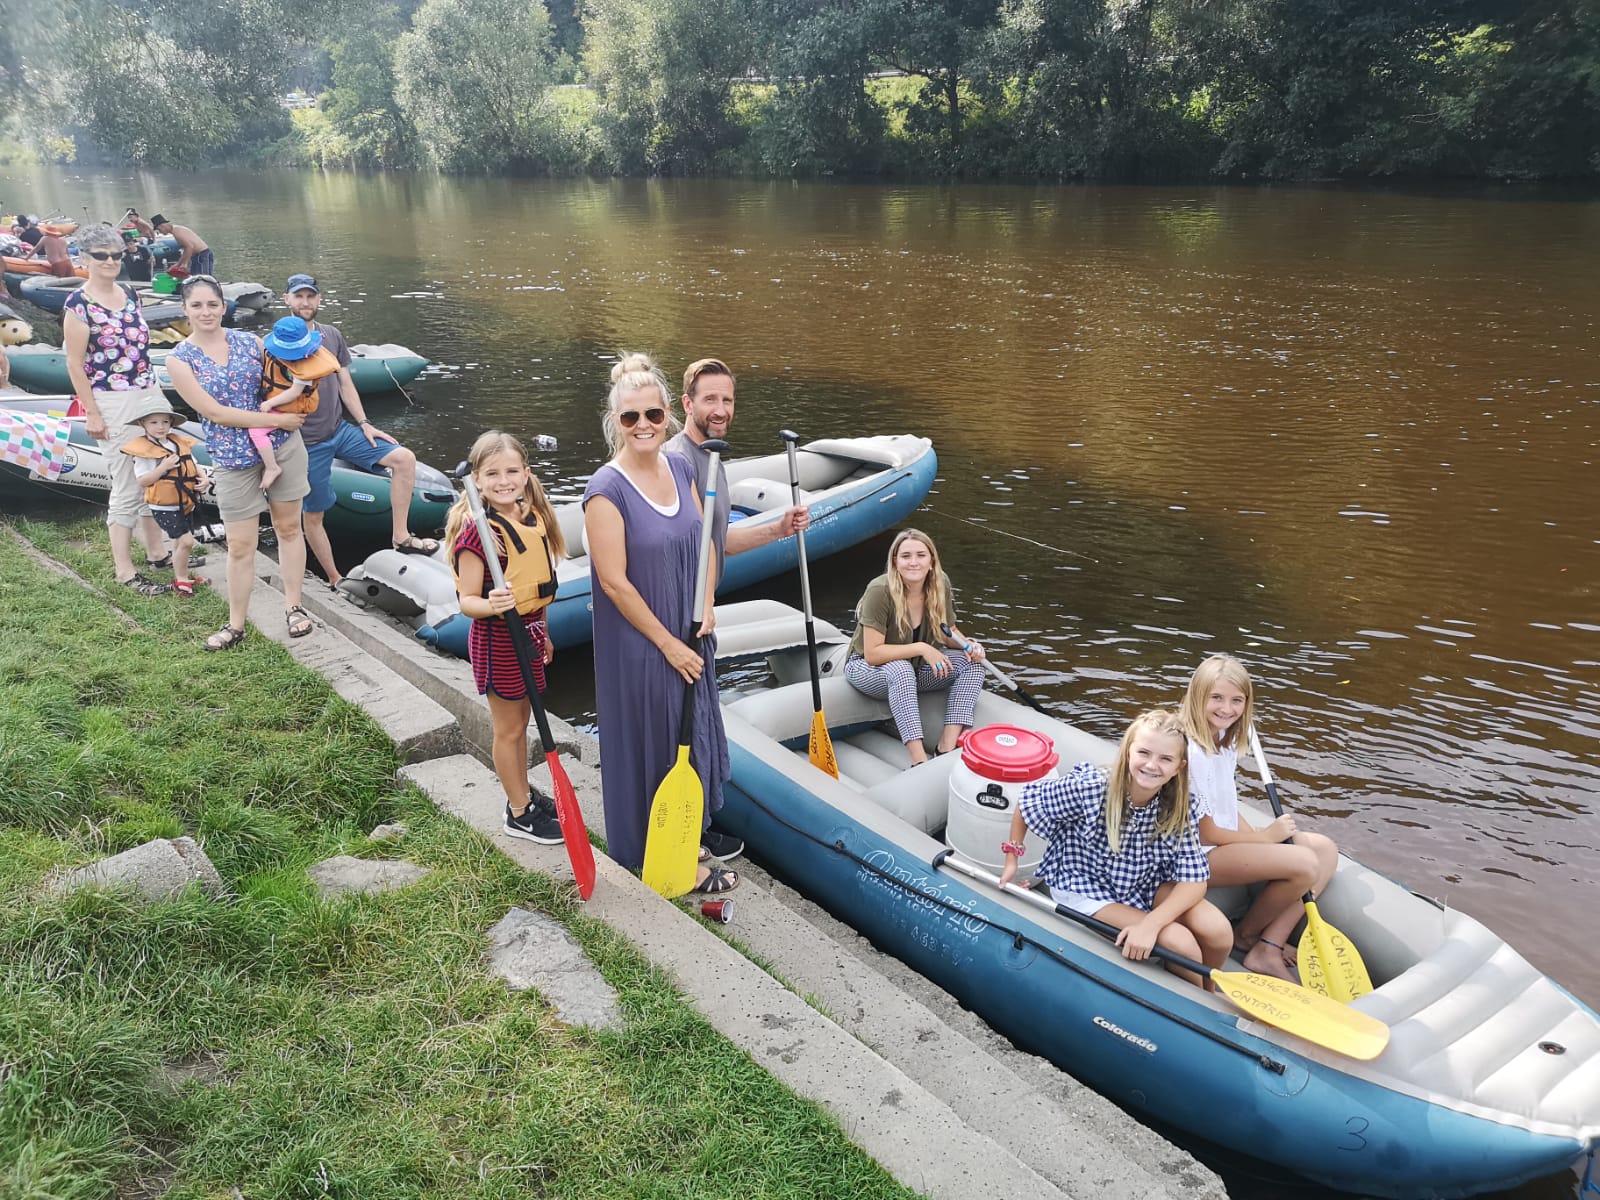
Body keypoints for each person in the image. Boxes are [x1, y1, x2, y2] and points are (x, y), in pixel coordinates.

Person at [584, 352, 736, 893]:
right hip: (645, 640)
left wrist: (709, 599)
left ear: (669, 414)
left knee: (690, 732)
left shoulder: (679, 467)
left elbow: (703, 544)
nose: (643, 425)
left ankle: (686, 839)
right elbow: (614, 582)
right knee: (657, 737)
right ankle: (658, 855)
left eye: (652, 414)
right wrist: (668, 644)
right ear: (616, 422)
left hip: (689, 625)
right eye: (631, 418)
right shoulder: (607, 489)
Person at [662, 357, 810, 859]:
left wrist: (778, 527)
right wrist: (700, 604)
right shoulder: (678, 461)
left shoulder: (713, 458)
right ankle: (683, 835)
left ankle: (697, 825)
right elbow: (685, 547)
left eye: (727, 400)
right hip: (681, 616)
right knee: (683, 724)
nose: (721, 409)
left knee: (701, 720)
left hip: (700, 613)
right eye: (710, 399)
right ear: (687, 403)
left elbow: (717, 540)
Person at [1000, 709, 1232, 988]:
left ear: (1178, 768)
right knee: (1180, 942)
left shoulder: (1179, 806)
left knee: (1219, 932)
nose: (1152, 765)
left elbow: (1194, 881)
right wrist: (1012, 860)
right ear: (1128, 753)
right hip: (1086, 884)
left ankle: (1209, 989)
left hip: (1141, 881)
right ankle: (1200, 1002)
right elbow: (1027, 803)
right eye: (1144, 753)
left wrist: (1150, 924)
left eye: (1165, 759)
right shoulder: (1093, 788)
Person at [164, 275, 312, 650]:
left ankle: (295, 607)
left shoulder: (251, 341)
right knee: (240, 545)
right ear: (185, 310)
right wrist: (279, 419)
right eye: (196, 305)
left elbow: (279, 381)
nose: (206, 312)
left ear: (224, 306)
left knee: (289, 529)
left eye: (212, 304)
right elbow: (217, 413)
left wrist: (302, 392)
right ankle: (235, 625)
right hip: (233, 458)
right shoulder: (179, 359)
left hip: (282, 448)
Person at [1180, 654, 1339, 982]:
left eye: (1237, 700)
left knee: (1324, 850)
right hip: (1194, 854)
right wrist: (1264, 839)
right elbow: (1206, 832)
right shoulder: (1192, 752)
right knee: (1305, 864)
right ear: (1198, 697)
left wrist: (1261, 839)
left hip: (1221, 844)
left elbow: (1224, 806)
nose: (1227, 708)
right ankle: (1247, 936)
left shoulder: (1221, 744)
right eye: (1217, 698)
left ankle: (1269, 943)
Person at [446, 430, 568, 844]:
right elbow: (466, 602)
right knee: (509, 730)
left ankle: (523, 796)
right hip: (498, 639)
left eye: (512, 471)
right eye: (492, 473)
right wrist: (492, 602)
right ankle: (518, 813)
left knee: (523, 722)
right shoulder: (477, 534)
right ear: (477, 480)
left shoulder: (532, 519)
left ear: (526, 474)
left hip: (530, 634)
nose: (503, 481)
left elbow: (538, 586)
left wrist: (545, 633)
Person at [279, 274, 440, 586]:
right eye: (298, 296)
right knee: (314, 515)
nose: (305, 302)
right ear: (286, 299)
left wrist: (365, 423)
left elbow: (344, 382)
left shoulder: (331, 335)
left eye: (310, 296)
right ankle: (335, 578)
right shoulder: (276, 344)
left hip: (339, 429)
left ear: (319, 299)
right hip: (307, 442)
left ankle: (401, 536)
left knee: (404, 458)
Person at [62, 222, 175, 595]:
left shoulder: (129, 293)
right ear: (85, 259)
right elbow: (75, 364)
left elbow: (139, 349)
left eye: (116, 254)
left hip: (147, 390)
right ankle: (125, 571)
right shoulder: (78, 306)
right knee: (126, 482)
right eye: (101, 256)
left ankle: (157, 551)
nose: (110, 261)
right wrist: (92, 412)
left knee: (152, 468)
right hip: (111, 398)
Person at [843, 528, 987, 765]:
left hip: (917, 668)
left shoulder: (940, 583)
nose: (914, 562)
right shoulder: (880, 591)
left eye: (921, 555)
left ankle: (946, 747)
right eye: (906, 556)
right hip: (868, 669)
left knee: (972, 664)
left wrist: (968, 645)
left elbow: (947, 631)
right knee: (900, 670)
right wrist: (922, 648)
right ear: (895, 561)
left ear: (931, 560)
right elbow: (872, 654)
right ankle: (918, 760)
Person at [119, 394, 209, 596]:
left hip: (185, 501)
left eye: (165, 422)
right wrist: (164, 467)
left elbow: (192, 464)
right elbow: (143, 480)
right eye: (154, 422)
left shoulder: (177, 443)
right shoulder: (145, 451)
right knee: (186, 541)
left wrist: (203, 478)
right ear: (143, 424)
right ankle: (181, 580)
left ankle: (182, 576)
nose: (160, 426)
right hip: (164, 506)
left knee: (181, 542)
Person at [255, 315, 336, 492]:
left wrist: (269, 404)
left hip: (287, 408)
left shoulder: (306, 369)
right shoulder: (285, 358)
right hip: (278, 402)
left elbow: (294, 392)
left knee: (256, 432)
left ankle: (271, 467)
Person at [148, 213, 212, 278]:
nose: (160, 232)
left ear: (162, 226)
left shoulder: (177, 232)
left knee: (204, 278)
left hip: (202, 255)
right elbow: (186, 250)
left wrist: (185, 264)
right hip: (196, 256)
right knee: (195, 278)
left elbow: (190, 247)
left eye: (159, 230)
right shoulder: (175, 231)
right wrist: (178, 264)